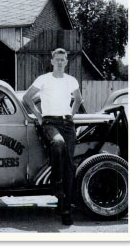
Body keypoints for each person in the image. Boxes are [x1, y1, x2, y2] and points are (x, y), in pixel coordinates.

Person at [23, 48, 83, 225]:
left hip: (67, 124)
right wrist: (39, 116)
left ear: (66, 62)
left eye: (63, 60)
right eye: (57, 59)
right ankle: (56, 184)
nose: (59, 62)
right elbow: (27, 98)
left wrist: (71, 115)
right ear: (51, 61)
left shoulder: (71, 80)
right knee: (57, 144)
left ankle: (65, 208)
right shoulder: (44, 79)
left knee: (69, 165)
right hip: (49, 123)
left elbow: (78, 100)